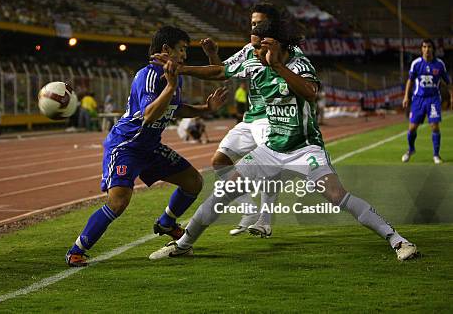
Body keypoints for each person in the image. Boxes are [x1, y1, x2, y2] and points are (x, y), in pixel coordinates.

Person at [149, 19, 417, 262]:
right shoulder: (253, 62)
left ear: (274, 45)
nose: (251, 53)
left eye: (258, 47)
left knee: (337, 195)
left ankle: (397, 240)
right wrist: (181, 69)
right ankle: (182, 246)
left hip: (305, 148)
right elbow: (218, 71)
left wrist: (276, 65)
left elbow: (310, 93)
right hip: (272, 147)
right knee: (222, 193)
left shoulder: (299, 65)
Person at [65, 26, 228, 267]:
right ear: (166, 49)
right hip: (127, 145)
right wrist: (171, 86)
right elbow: (150, 115)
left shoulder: (173, 75)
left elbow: (176, 107)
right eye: (181, 49)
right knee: (118, 202)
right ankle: (76, 251)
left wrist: (206, 110)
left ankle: (166, 223)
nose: (184, 55)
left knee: (193, 182)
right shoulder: (150, 75)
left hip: (150, 146)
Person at [193, 3, 310, 237]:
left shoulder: (290, 52)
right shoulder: (248, 49)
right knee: (220, 161)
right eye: (252, 22)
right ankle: (248, 209)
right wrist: (212, 54)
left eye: (258, 23)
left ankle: (265, 220)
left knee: (269, 166)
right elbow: (221, 72)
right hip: (250, 118)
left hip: (272, 116)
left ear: (271, 25)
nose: (254, 27)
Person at [402, 39, 451, 164]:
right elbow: (410, 81)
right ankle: (411, 149)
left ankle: (436, 155)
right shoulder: (416, 64)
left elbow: (448, 82)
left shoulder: (439, 64)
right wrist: (406, 96)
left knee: (434, 126)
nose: (426, 49)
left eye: (429, 47)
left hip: (433, 99)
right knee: (412, 128)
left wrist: (452, 96)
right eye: (424, 47)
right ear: (421, 49)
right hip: (418, 99)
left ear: (433, 49)